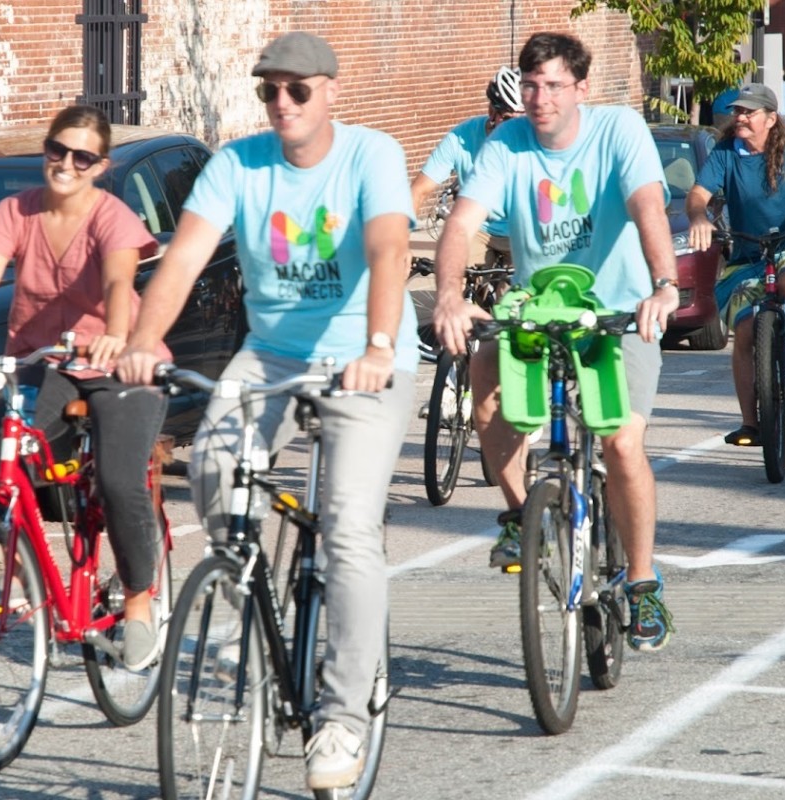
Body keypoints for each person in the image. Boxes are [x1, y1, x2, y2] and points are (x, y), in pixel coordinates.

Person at [113, 31, 416, 791]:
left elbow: (388, 250)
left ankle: (344, 718)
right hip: (273, 354)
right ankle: (240, 589)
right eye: (269, 90)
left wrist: (378, 345)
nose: (281, 103)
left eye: (297, 90)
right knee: (214, 467)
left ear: (330, 92)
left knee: (347, 527)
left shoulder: (369, 156)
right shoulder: (238, 165)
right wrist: (144, 340)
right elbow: (182, 258)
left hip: (364, 358)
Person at [430, 31, 680, 652]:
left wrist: (664, 284)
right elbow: (462, 222)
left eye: (554, 85)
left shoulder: (619, 130)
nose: (540, 98)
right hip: (536, 311)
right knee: (481, 371)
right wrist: (449, 295)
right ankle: (521, 514)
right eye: (532, 85)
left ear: (581, 88)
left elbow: (648, 205)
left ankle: (642, 582)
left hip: (618, 309)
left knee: (621, 442)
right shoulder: (506, 144)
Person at [0, 104, 169, 670]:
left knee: (122, 483)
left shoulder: (112, 217)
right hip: (41, 360)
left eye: (82, 157)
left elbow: (121, 279)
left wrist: (118, 336)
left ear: (99, 166)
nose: (66, 164)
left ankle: (140, 605)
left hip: (116, 363)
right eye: (57, 150)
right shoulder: (14, 211)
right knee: (2, 454)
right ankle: (31, 573)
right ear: (46, 151)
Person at [684, 84, 785, 445]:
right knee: (743, 332)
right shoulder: (726, 153)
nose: (739, 117)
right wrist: (698, 218)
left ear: (771, 119)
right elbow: (698, 195)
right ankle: (750, 423)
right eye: (738, 111)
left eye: (749, 112)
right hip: (746, 255)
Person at [411, 66, 522, 268]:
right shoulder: (461, 136)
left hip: (520, 232)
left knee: (517, 297)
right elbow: (419, 190)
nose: (513, 128)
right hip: (476, 228)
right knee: (454, 273)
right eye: (505, 118)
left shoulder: (536, 142)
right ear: (492, 112)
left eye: (521, 120)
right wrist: (398, 243)